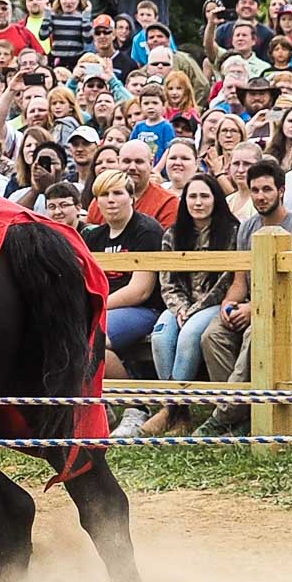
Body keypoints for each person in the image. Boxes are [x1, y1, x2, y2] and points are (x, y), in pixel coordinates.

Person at [195, 160, 292, 435]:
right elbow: (239, 280)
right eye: (256, 190)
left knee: (255, 334)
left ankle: (222, 417)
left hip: (281, 308)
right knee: (211, 335)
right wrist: (229, 303)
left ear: (281, 191)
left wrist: (254, 310)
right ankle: (243, 413)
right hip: (249, 303)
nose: (261, 196)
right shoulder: (246, 228)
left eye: (267, 190)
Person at [142, 173, 237, 436]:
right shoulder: (173, 234)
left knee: (189, 335)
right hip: (179, 305)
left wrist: (192, 311)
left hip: (211, 305)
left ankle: (169, 410)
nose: (198, 202)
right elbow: (167, 280)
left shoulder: (232, 233)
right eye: (192, 196)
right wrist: (180, 309)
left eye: (204, 196)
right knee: (160, 336)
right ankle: (180, 414)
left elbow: (226, 282)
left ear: (215, 199)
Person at [81, 168, 165, 433]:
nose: (111, 200)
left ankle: (136, 405)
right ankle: (99, 403)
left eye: (118, 193)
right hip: (104, 307)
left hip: (143, 309)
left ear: (132, 197)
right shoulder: (93, 236)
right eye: (104, 195)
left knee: (92, 338)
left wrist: (97, 305)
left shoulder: (146, 230)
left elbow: (140, 290)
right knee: (74, 336)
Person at [85, 139, 178, 228]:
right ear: (118, 161)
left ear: (151, 164)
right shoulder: (102, 199)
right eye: (126, 161)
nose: (132, 167)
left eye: (139, 162)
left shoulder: (167, 201)